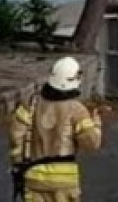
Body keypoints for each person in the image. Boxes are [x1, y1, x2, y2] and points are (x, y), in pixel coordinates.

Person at [9, 57, 102, 202]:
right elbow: (91, 143)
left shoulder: (31, 104)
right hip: (64, 181)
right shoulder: (77, 110)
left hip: (34, 176)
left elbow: (16, 136)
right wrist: (96, 124)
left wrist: (18, 163)